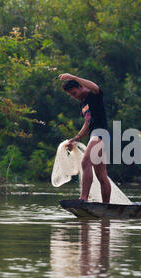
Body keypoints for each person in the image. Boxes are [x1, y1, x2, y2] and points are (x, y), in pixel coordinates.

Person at [59, 73, 111, 203]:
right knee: (102, 176)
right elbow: (87, 124)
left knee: (85, 162)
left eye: (74, 93)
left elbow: (95, 86)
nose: (74, 97)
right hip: (94, 134)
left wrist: (74, 77)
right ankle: (107, 206)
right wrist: (75, 139)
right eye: (71, 95)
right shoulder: (83, 104)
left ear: (81, 87)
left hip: (101, 134)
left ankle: (83, 198)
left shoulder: (93, 95)